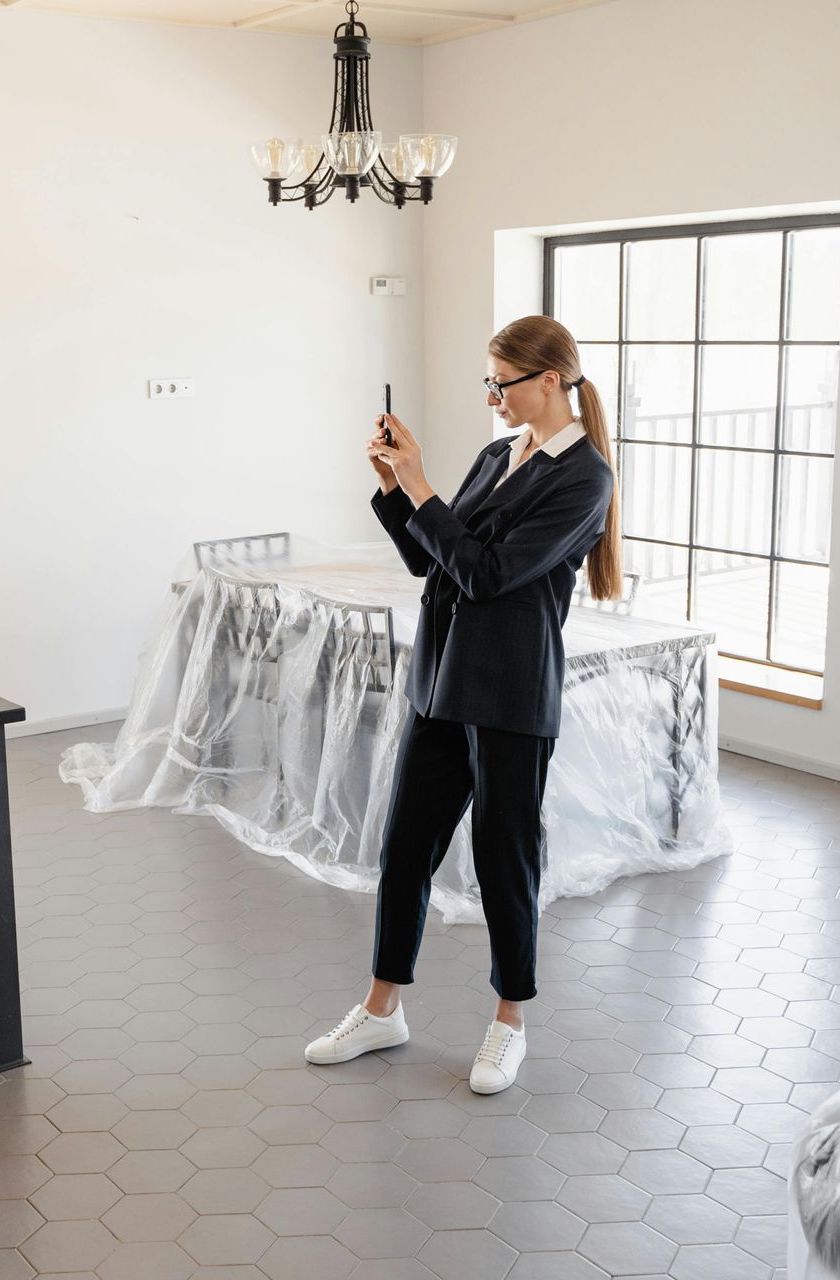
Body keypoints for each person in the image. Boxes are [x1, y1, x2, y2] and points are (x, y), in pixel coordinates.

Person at [302, 314, 624, 1093]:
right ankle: (383, 1008)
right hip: (443, 683)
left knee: (502, 858)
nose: (492, 397)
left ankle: (510, 1022)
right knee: (406, 846)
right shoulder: (496, 454)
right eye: (488, 382)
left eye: (501, 383)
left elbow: (485, 575)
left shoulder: (585, 478)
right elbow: (431, 561)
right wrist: (394, 487)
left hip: (510, 692)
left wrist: (422, 484)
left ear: (549, 380)